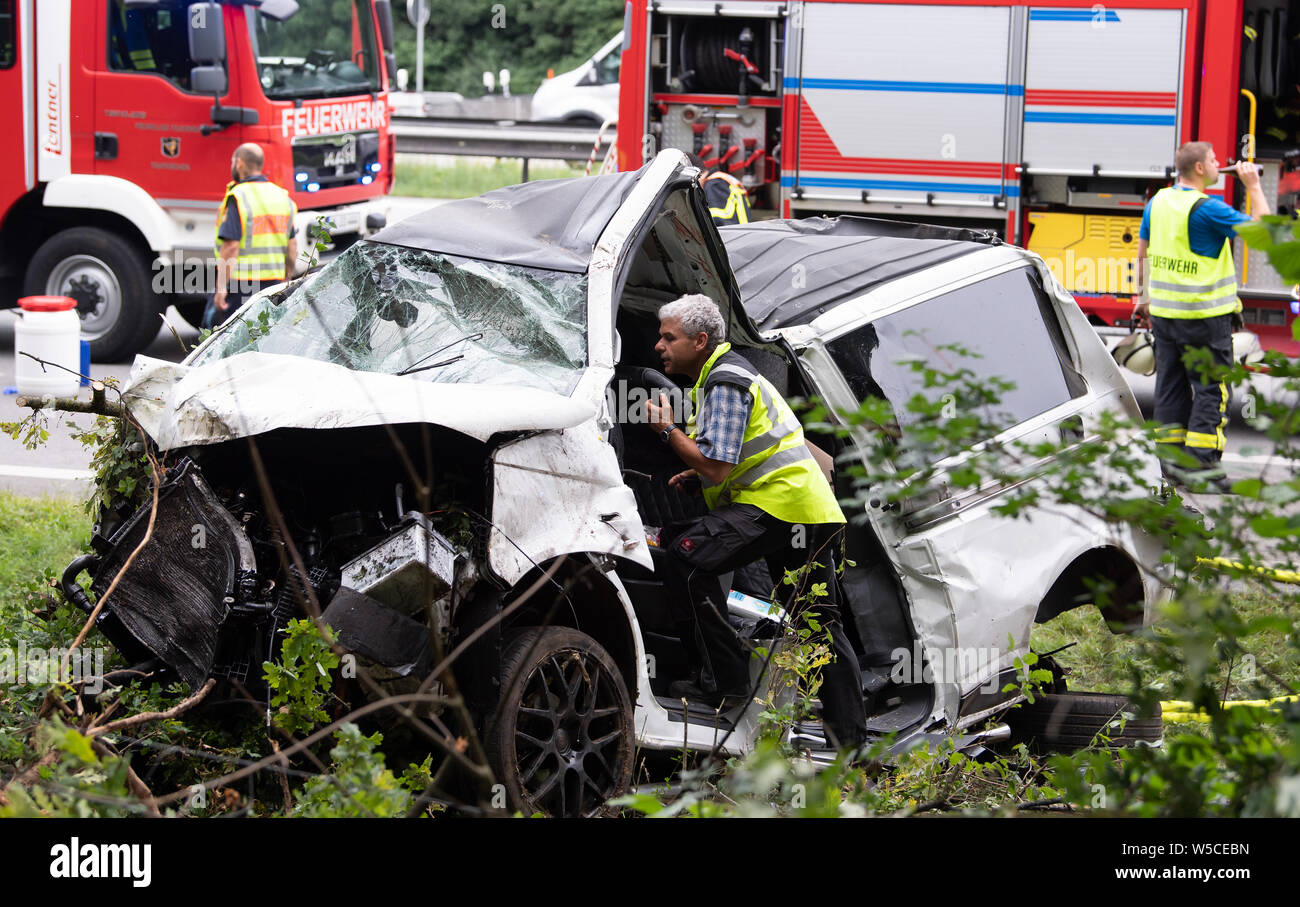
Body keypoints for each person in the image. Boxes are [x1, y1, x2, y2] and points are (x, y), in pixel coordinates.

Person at [645, 294, 868, 750]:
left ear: (700, 341)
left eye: (669, 337)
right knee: (817, 623)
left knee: (685, 559)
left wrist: (668, 432)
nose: (658, 346)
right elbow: (735, 459)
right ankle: (851, 746)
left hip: (783, 506)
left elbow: (717, 465)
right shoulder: (725, 376)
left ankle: (724, 684)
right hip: (802, 510)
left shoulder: (725, 381)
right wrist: (699, 474)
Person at [1135, 141, 1268, 490]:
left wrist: (1142, 296)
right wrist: (1253, 185)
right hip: (1204, 317)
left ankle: (1170, 468)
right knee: (1211, 390)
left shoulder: (1159, 201)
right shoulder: (1208, 209)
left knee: (1170, 387)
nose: (1218, 163)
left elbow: (1143, 248)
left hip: (1165, 314)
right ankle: (1204, 471)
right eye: (1212, 159)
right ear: (1198, 168)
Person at [204, 143, 298, 330]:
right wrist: (286, 278)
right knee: (262, 335)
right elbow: (292, 246)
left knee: (221, 336)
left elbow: (230, 246)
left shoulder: (238, 197)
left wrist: (221, 287)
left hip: (241, 285)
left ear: (239, 163)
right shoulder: (281, 197)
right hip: (273, 283)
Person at [687, 152, 752, 226]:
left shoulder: (714, 185)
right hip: (741, 232)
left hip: (733, 234)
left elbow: (718, 223)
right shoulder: (719, 180)